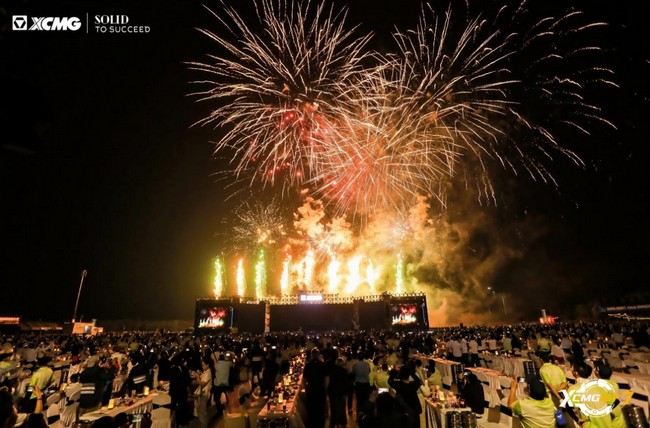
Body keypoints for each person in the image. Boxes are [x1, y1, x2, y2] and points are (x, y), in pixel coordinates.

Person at [303, 348, 328, 428]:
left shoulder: (308, 365)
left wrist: (306, 389)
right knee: (320, 410)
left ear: (311, 355)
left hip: (311, 389)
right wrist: (325, 389)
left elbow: (304, 380)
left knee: (311, 410)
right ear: (318, 355)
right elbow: (326, 379)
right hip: (320, 389)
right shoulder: (323, 365)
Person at [327, 358, 349, 428]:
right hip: (343, 392)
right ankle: (343, 423)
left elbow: (330, 382)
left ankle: (336, 423)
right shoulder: (344, 371)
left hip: (334, 392)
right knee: (342, 408)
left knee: (335, 409)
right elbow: (346, 382)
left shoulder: (332, 372)